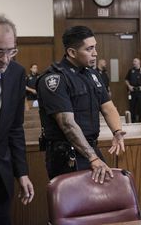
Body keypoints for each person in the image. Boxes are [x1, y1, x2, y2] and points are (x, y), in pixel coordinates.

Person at [37, 26, 125, 183]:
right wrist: (92, 157)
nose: (95, 53)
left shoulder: (92, 74)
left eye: (95, 47)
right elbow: (67, 124)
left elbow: (108, 107)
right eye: (89, 49)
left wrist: (117, 131)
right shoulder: (54, 79)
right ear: (72, 52)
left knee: (99, 201)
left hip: (90, 148)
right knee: (77, 205)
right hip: (66, 153)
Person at [0, 14, 34, 225]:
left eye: (11, 51)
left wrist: (22, 173)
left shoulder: (17, 74)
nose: (5, 59)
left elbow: (15, 129)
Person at [125, 58, 141, 122]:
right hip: (133, 91)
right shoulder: (131, 71)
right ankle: (132, 121)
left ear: (139, 62)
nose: (133, 63)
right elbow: (126, 80)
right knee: (132, 107)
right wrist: (129, 86)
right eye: (133, 61)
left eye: (135, 61)